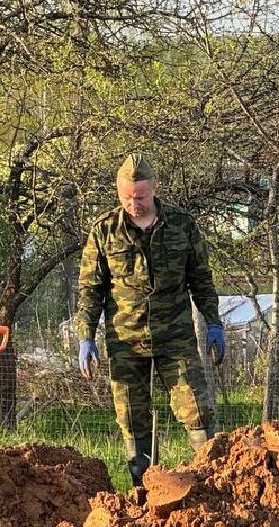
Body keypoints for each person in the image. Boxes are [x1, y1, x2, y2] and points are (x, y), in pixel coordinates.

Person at [76, 152, 225, 486]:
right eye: (127, 196)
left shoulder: (182, 224)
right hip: (126, 340)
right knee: (131, 415)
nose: (134, 203)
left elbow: (200, 279)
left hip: (175, 336)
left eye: (140, 196)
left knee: (197, 409)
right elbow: (90, 289)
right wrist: (86, 336)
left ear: (155, 189)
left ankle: (212, 484)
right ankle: (143, 490)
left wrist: (213, 321)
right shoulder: (104, 230)